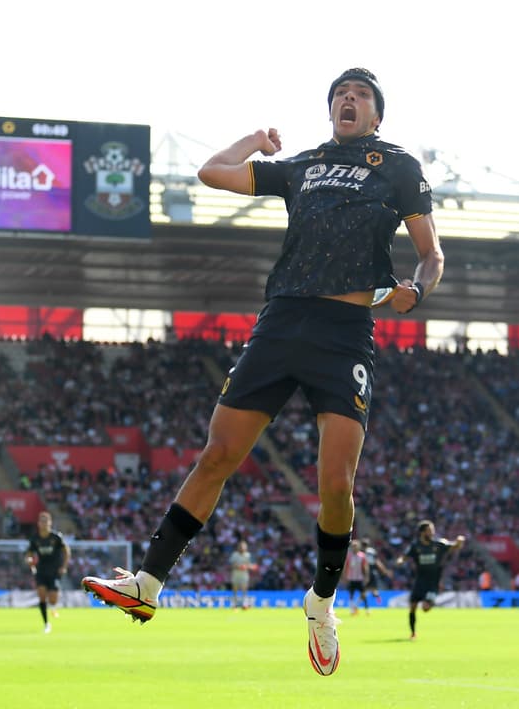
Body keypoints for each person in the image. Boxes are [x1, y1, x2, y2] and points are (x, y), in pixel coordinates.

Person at [83, 67, 442, 677]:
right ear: (330, 110)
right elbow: (211, 172)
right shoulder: (303, 166)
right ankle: (148, 583)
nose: (348, 99)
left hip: (344, 333)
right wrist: (255, 140)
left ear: (377, 115)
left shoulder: (399, 167)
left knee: (336, 484)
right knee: (218, 453)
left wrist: (418, 289)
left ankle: (321, 603)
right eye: (340, 94)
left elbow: (432, 254)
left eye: (360, 95)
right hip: (280, 324)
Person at [396, 520, 465, 640]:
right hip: (419, 581)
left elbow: (454, 546)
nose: (432, 533)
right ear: (422, 532)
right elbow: (404, 556)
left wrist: (459, 542)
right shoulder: (415, 546)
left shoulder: (438, 544)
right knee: (412, 607)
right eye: (429, 530)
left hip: (433, 582)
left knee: (425, 608)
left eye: (432, 530)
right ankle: (413, 633)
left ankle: (430, 602)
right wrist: (400, 561)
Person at [25, 511, 70, 634]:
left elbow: (66, 551)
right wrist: (29, 560)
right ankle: (46, 624)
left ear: (50, 523)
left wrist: (64, 566)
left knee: (53, 599)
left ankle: (53, 607)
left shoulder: (56, 537)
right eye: (41, 521)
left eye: (46, 521)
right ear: (38, 523)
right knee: (42, 595)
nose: (44, 523)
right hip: (41, 570)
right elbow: (29, 554)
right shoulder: (35, 539)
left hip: (54, 571)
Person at [362, 537, 392, 606]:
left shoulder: (362, 553)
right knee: (373, 589)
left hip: (367, 572)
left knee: (364, 590)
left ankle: (362, 606)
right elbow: (377, 562)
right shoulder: (372, 551)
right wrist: (384, 571)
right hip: (373, 572)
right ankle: (377, 597)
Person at [344, 539, 371, 615]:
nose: (354, 547)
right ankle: (352, 610)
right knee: (351, 594)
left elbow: (365, 567)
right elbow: (346, 567)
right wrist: (345, 577)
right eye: (353, 546)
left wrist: (367, 576)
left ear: (358, 546)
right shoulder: (349, 556)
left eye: (355, 546)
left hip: (360, 578)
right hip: (351, 578)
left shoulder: (362, 556)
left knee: (363, 594)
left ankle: (367, 609)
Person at [228, 540, 256, 610]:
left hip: (244, 575)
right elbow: (231, 564)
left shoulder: (248, 555)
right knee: (235, 589)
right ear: (238, 547)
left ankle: (244, 604)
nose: (242, 548)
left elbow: (254, 566)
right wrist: (238, 566)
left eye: (244, 547)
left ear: (246, 547)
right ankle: (234, 605)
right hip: (236, 574)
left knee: (244, 589)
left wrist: (246, 567)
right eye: (241, 547)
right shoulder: (235, 555)